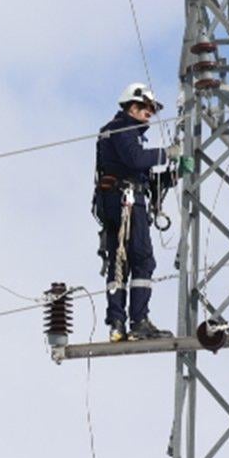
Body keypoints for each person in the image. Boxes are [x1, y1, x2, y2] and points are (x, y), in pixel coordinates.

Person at [93, 82, 180, 342]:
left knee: (119, 261)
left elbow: (140, 174)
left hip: (118, 199)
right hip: (125, 201)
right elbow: (135, 160)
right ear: (133, 106)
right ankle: (138, 321)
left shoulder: (120, 132)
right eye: (146, 109)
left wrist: (172, 176)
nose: (149, 114)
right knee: (141, 260)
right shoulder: (122, 129)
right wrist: (167, 153)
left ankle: (118, 323)